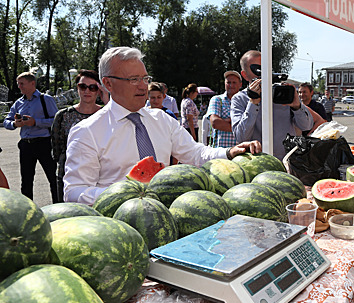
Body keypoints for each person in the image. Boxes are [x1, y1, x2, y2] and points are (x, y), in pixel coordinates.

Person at [63, 46, 261, 205]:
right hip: (118, 227)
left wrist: (228, 153)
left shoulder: (162, 119)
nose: (143, 86)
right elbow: (74, 191)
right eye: (133, 79)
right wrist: (122, 195)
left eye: (145, 78)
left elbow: (195, 153)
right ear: (108, 83)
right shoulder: (87, 132)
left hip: (167, 218)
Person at [230, 50, 313, 160]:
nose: (262, 73)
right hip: (256, 162)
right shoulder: (239, 99)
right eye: (257, 69)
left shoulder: (282, 92)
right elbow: (241, 137)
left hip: (287, 162)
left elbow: (306, 126)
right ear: (245, 75)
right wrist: (253, 103)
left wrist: (297, 107)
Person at [3, 72, 59, 203]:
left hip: (44, 143)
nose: (19, 87)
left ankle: (58, 207)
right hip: (26, 145)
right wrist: (14, 124)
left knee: (53, 178)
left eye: (22, 83)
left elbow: (56, 121)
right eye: (18, 84)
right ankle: (28, 211)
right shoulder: (18, 103)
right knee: (26, 181)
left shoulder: (46, 99)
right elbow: (7, 121)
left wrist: (35, 122)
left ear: (32, 83)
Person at [51, 69, 102, 202]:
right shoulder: (63, 116)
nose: (87, 91)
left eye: (93, 87)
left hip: (101, 175)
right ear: (77, 88)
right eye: (82, 86)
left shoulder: (106, 115)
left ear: (99, 90)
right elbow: (57, 149)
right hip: (68, 174)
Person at [206, 70, 242, 148]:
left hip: (241, 151)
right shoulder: (217, 99)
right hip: (221, 151)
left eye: (234, 82)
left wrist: (225, 121)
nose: (231, 85)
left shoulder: (245, 101)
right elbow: (215, 122)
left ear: (240, 85)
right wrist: (241, 128)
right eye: (228, 82)